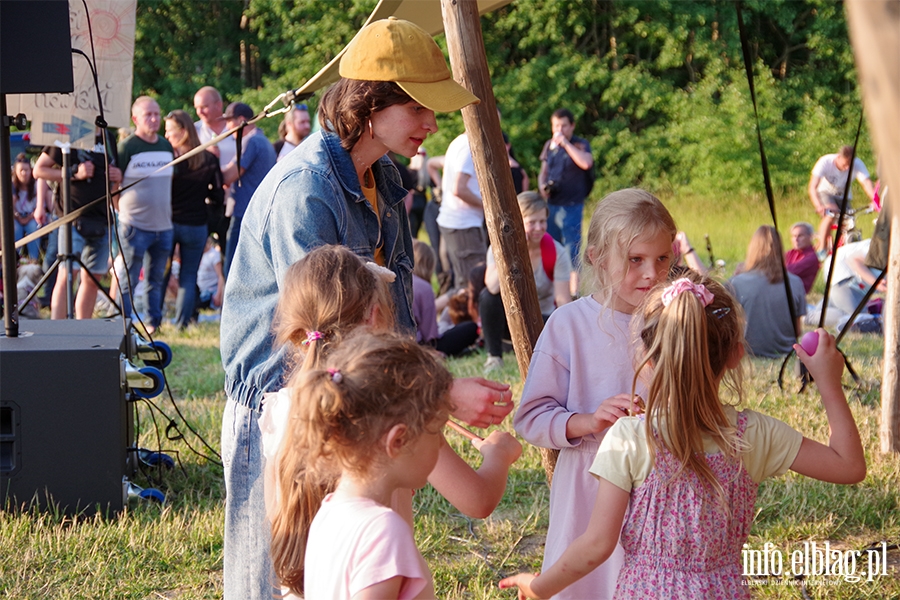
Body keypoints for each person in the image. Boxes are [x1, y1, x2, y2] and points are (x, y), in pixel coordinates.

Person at [219, 18, 514, 600]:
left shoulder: (385, 179)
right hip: (281, 407)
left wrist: (423, 391)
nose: (432, 123)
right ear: (368, 104)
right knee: (269, 583)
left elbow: (387, 321)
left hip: (348, 399)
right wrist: (442, 391)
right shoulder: (304, 189)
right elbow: (332, 331)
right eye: (418, 107)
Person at [500, 274, 866, 599]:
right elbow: (849, 466)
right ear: (736, 355)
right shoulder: (754, 434)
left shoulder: (630, 436)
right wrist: (829, 383)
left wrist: (538, 587)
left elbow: (596, 545)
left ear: (646, 354)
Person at [260, 246, 522, 597]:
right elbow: (477, 499)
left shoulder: (290, 407)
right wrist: (498, 455)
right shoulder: (394, 405)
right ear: (374, 317)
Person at [513, 188, 677, 599]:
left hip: (660, 483)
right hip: (588, 486)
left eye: (662, 259)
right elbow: (531, 417)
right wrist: (588, 420)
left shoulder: (677, 321)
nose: (650, 273)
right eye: (635, 259)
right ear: (597, 257)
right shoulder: (569, 324)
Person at [278, 330, 452, 599]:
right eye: (437, 432)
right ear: (399, 440)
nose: (441, 445)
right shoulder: (385, 531)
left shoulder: (328, 513)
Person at [33, 133, 123, 320]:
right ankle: (59, 331)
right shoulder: (69, 133)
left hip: (101, 218)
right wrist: (74, 172)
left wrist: (117, 176)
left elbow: (113, 177)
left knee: (93, 278)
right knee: (68, 274)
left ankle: (84, 329)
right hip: (73, 216)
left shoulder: (108, 137)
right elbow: (39, 170)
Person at [480, 192, 571, 371]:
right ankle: (494, 357)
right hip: (509, 319)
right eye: (531, 222)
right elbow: (491, 287)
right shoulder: (498, 249)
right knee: (486, 298)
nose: (538, 227)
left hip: (540, 321)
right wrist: (512, 251)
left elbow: (563, 302)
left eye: (542, 221)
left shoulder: (557, 252)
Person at [164, 110, 225, 328]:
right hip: (197, 223)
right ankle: (182, 323)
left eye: (169, 130)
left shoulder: (169, 160)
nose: (166, 134)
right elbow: (218, 194)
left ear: (182, 131)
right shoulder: (207, 158)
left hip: (169, 222)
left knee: (162, 273)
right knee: (189, 276)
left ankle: (156, 322)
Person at [538, 108, 594, 294]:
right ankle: (554, 291)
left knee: (571, 249)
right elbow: (543, 171)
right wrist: (542, 187)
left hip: (572, 206)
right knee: (551, 246)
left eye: (563, 126)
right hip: (552, 205)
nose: (559, 130)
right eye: (556, 126)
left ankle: (573, 293)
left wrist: (565, 144)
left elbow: (586, 163)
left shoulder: (580, 144)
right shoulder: (549, 145)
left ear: (572, 126)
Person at [730, 226, 806, 358]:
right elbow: (797, 330)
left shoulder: (736, 283)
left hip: (748, 352)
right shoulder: (796, 282)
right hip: (786, 351)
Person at [221, 101, 276, 277]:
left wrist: (209, 162)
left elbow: (229, 177)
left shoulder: (250, 142)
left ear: (241, 120)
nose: (227, 128)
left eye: (229, 121)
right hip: (259, 211)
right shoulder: (264, 140)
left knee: (232, 266)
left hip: (244, 211)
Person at [435, 131, 487, 290]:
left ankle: (434, 311)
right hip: (463, 224)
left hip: (457, 221)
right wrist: (487, 207)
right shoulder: (469, 146)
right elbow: (459, 188)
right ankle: (434, 311)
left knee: (465, 283)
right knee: (472, 285)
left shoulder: (459, 141)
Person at [412, 240, 479, 356]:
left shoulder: (397, 281)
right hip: (418, 346)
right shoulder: (424, 288)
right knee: (470, 328)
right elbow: (430, 335)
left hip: (394, 342)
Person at [808, 145, 876, 254]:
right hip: (825, 192)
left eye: (850, 165)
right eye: (845, 164)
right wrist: (819, 206)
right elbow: (812, 187)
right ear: (838, 157)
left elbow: (866, 183)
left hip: (843, 195)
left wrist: (875, 200)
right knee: (831, 214)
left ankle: (843, 249)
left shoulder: (857, 164)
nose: (847, 168)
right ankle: (822, 249)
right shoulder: (825, 162)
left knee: (849, 220)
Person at [193, 86, 236, 253]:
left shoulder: (235, 128)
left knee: (230, 253)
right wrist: (206, 157)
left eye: (204, 106)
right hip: (204, 202)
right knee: (198, 253)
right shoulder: (194, 131)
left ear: (219, 105)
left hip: (233, 201)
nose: (199, 112)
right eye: (197, 107)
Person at [11, 154, 39, 261]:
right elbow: (10, 207)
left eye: (26, 170)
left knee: (33, 227)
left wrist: (29, 217)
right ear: (16, 172)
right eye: (21, 170)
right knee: (15, 228)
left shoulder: (36, 185)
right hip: (16, 217)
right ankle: (16, 260)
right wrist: (17, 216)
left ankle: (33, 260)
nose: (24, 173)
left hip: (31, 217)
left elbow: (39, 206)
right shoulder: (11, 186)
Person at [785, 221, 820, 294]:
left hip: (794, 296)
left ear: (810, 237)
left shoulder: (811, 258)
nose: (796, 239)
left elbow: (788, 271)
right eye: (794, 236)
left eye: (800, 236)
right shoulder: (791, 253)